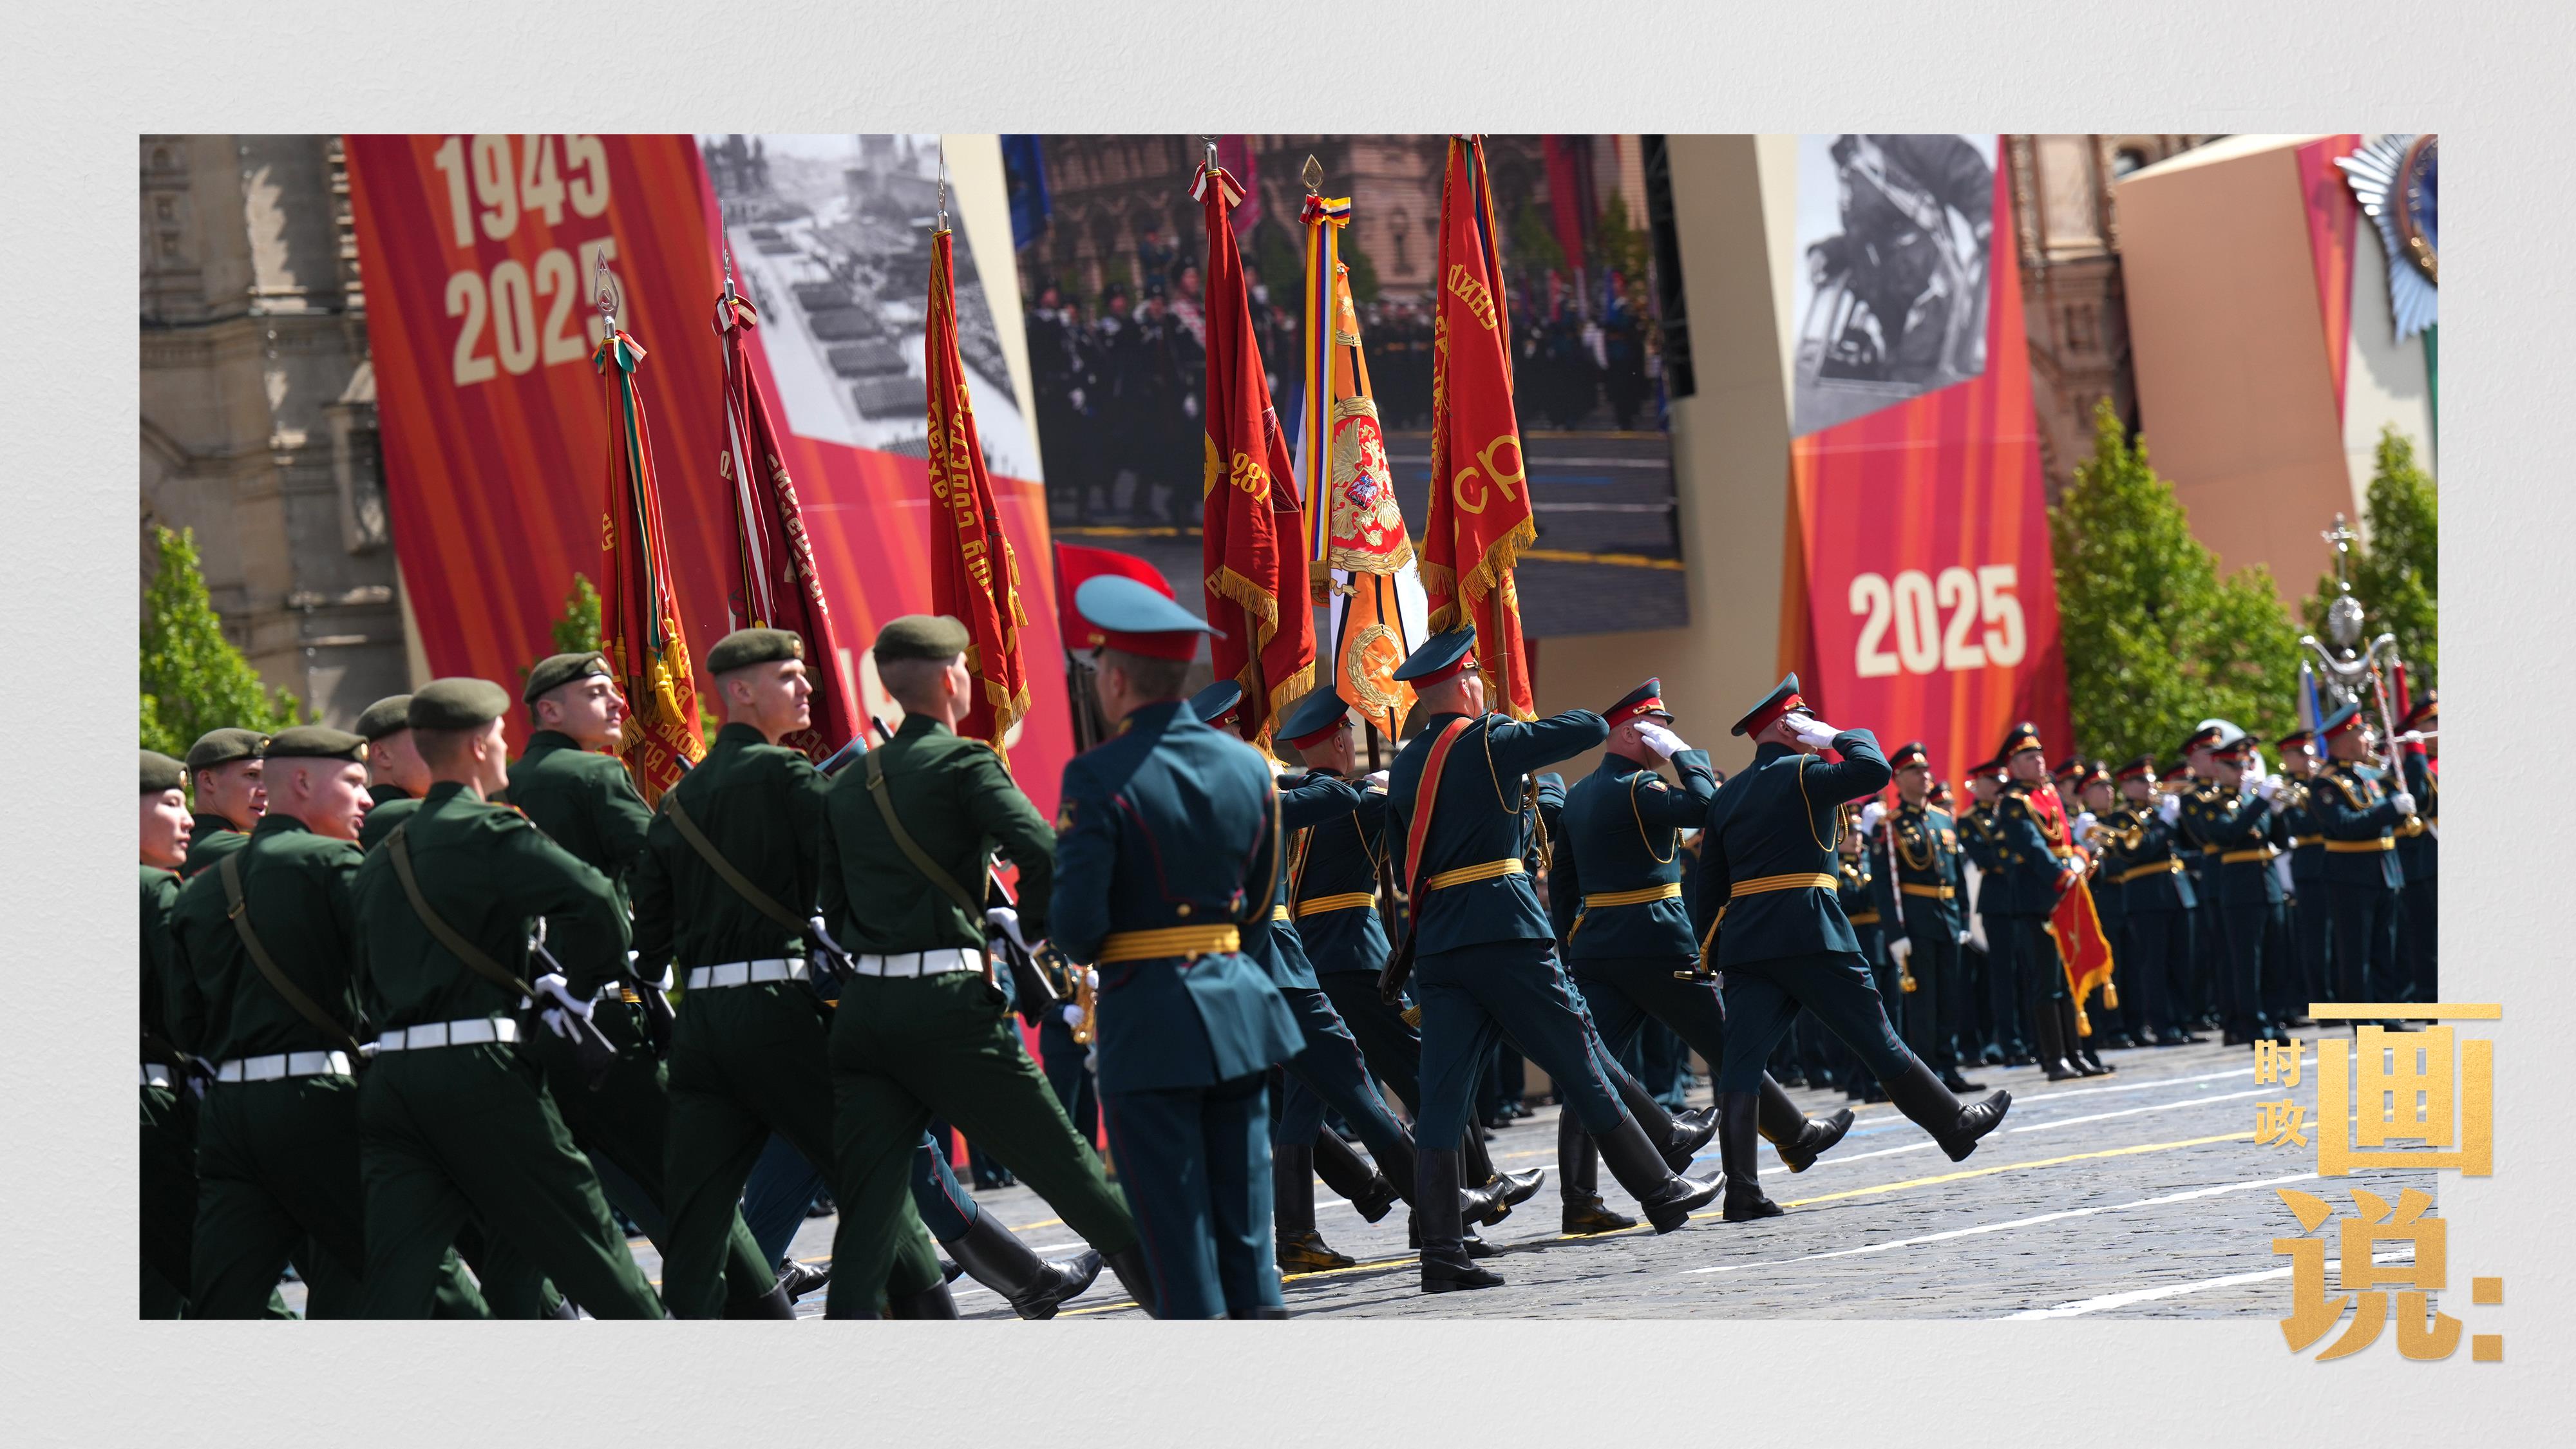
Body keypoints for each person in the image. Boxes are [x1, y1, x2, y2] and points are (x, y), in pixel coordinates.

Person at [817, 615, 1142, 1320]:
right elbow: (1043, 852)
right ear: (948, 679)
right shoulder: (964, 764)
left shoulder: (845, 788)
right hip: (947, 1004)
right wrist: (1035, 932)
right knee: (1070, 1168)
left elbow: (834, 911)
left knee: (870, 1216)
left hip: (866, 1013)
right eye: (964, 666)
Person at [1387, 627, 1720, 1294]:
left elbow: (1402, 866)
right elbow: (1588, 726)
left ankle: (1441, 1251)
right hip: (1506, 933)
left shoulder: (1406, 763)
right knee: (1579, 1059)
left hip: (1443, 942)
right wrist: (1509, 723)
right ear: (1465, 683)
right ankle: (1659, 1191)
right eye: (1477, 678)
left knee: (1444, 1099)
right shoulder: (1489, 739)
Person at [346, 679, 665, 1318]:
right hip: (481, 1067)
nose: (504, 748)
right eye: (497, 736)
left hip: (394, 1080)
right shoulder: (489, 830)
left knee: (399, 1275)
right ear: (475, 746)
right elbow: (601, 905)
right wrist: (579, 992)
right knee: (592, 1244)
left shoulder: (381, 856)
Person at [628, 630, 911, 1319]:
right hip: (776, 1011)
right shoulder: (791, 781)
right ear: (741, 692)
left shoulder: (677, 802)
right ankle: (921, 1313)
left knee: (698, 1217)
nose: (806, 687)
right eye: (788, 676)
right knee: (869, 1176)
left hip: (700, 1024)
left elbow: (650, 939)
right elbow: (846, 885)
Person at [1048, 577, 1306, 1318]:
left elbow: (1077, 928)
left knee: (1176, 1244)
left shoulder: (1096, 775)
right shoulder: (1248, 767)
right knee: (1247, 1235)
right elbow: (1257, 908)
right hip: (1237, 1011)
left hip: (1149, 1020)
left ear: (1116, 679)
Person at [509, 650, 795, 1317]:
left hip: (531, 1030)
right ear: (550, 709)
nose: (618, 703)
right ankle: (764, 1314)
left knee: (606, 1191)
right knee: (692, 1186)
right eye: (597, 693)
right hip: (608, 1021)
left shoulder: (501, 788)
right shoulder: (594, 775)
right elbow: (662, 863)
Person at [1191, 679, 1507, 1275]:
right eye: (1233, 730)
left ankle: (1328, 1226)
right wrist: (1300, 778)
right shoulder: (1246, 794)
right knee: (1361, 1093)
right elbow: (1333, 797)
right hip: (1280, 969)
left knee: (1300, 1105)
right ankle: (1446, 1217)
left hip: (1222, 977)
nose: (1243, 739)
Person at [1692, 676, 2012, 1220]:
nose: (1813, 727)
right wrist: (1837, 736)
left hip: (1748, 942)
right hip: (1812, 931)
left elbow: (1711, 886)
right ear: (1789, 725)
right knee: (1876, 1037)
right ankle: (1954, 1125)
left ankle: (1741, 1190)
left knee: (1740, 1066)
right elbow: (1875, 769)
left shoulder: (1728, 795)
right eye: (1804, 718)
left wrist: (1715, 954)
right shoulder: (1804, 772)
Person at [1555, 679, 1854, 1213]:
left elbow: (1563, 883)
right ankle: (1794, 1135)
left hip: (1596, 947)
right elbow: (1707, 806)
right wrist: (1684, 755)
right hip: (1656, 943)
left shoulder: (1577, 795)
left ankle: (1580, 1200)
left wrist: (1569, 947)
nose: (1664, 736)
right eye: (1656, 728)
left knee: (1591, 1071)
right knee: (1730, 1046)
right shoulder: (1640, 788)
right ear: (1631, 733)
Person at [1271, 686, 1540, 1256]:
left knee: (1304, 1100)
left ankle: (1296, 1234)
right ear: (1339, 741)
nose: (1350, 740)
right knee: (1430, 1078)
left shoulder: (1292, 800)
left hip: (1304, 960)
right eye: (1347, 732)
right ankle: (1462, 1201)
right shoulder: (1356, 800)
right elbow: (1431, 809)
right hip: (1354, 958)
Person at [165, 726, 398, 1317]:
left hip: (227, 1109)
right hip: (314, 1093)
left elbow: (184, 1022)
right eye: (353, 782)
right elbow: (388, 972)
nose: (366, 799)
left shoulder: (199, 889)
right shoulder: (327, 861)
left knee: (227, 1302)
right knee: (401, 1261)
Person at [1985, 723, 2099, 1079]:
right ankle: (2054, 1059)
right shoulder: (2014, 801)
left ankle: (2075, 1053)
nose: (2038, 761)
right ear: (2013, 766)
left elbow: (2066, 837)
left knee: (2066, 977)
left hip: (2066, 891)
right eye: (2028, 757)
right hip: (2039, 897)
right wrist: (2063, 876)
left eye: (2039, 754)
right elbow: (2032, 848)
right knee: (2047, 980)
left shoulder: (2048, 793)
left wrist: (2080, 856)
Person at [1870, 741, 1984, 1092]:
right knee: (1923, 1002)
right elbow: (1885, 887)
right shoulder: (1890, 826)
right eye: (1915, 771)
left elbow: (1956, 876)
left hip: (1947, 920)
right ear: (1899, 779)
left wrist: (1963, 920)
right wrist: (1895, 933)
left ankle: (1949, 1066)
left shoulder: (1943, 819)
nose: (1924, 775)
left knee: (1950, 997)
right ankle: (1929, 1073)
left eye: (1925, 769)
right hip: (1916, 922)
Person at [2177, 724, 2284, 1046]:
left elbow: (2278, 840)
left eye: (2244, 764)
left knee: (2274, 958)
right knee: (2238, 959)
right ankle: (2245, 1023)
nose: (2242, 771)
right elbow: (2226, 834)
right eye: (2234, 765)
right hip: (2233, 884)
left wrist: (2277, 811)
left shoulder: (2249, 799)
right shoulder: (2206, 801)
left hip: (2267, 882)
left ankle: (2274, 1020)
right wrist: (2260, 802)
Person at [140, 750, 199, 1317]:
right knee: (214, 1276)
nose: (189, 820)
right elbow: (188, 1007)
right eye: (174, 804)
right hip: (149, 1105)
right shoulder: (155, 890)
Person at [2311, 703, 2417, 1007]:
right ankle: (2364, 1020)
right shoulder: (2326, 783)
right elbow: (2345, 826)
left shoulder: (2368, 774)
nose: (2369, 740)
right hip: (2352, 876)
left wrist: (2412, 761)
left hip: (2385, 871)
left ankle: (2387, 1014)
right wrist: (2389, 810)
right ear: (2343, 739)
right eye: (2363, 734)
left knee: (2385, 950)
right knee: (2357, 955)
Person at [1955, 756, 2027, 1066]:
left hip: (2023, 897)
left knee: (2029, 971)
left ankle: (2034, 1038)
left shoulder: (2016, 810)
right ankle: (2009, 1042)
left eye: (2001, 780)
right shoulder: (1970, 820)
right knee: (2003, 976)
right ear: (1978, 784)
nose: (1999, 786)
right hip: (1997, 900)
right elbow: (1986, 859)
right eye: (1993, 780)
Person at [2274, 731, 2333, 1008]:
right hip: (2310, 866)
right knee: (2316, 938)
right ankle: (2322, 1002)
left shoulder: (2324, 782)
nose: (2309, 758)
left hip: (2334, 861)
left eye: (2309, 751)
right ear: (2288, 758)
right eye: (2301, 753)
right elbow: (2301, 826)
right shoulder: (2288, 789)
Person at [2394, 694, 2438, 1002]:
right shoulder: (2417, 764)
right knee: (2430, 936)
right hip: (2432, 856)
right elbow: (2418, 800)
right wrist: (2415, 752)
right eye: (2433, 721)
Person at [182, 727, 269, 878]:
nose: (265, 790)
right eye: (252, 775)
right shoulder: (248, 850)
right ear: (208, 781)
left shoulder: (165, 848)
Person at [354, 696, 428, 853]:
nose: (440, 751)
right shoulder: (420, 814)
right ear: (382, 755)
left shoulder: (350, 819)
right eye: (424, 741)